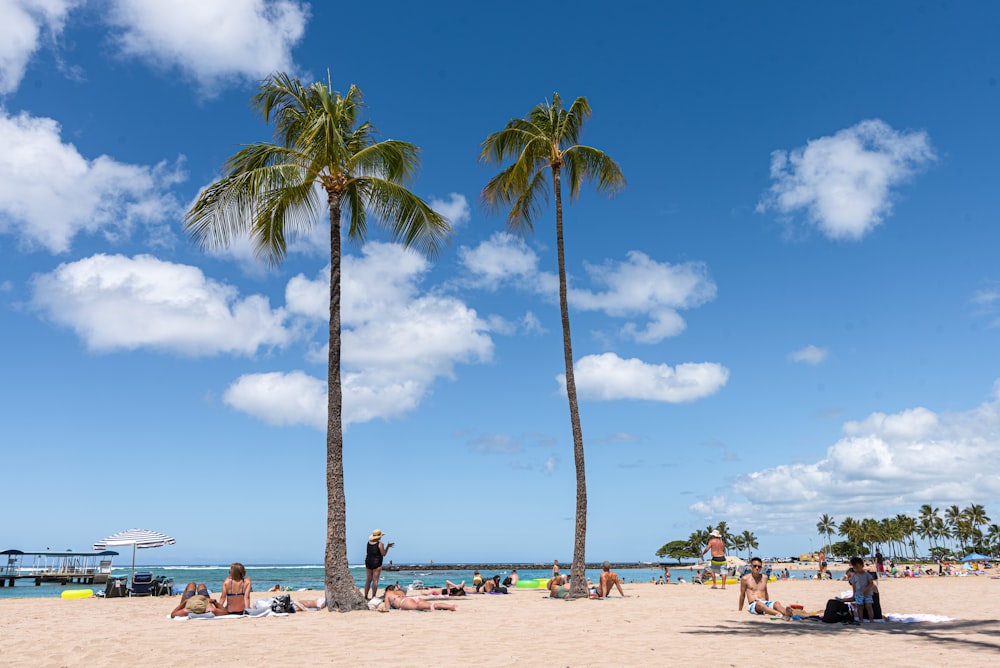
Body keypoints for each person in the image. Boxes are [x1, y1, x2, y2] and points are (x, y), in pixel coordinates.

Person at [364, 529, 393, 600]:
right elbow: (383, 554)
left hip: (368, 561)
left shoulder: (368, 542)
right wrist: (388, 547)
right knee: (375, 580)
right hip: (377, 562)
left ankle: (365, 596)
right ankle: (373, 596)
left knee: (368, 580)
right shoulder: (380, 544)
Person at [383, 584, 455, 611]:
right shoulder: (400, 591)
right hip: (413, 598)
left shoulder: (388, 593)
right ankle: (449, 606)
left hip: (404, 602)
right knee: (432, 604)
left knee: (430, 606)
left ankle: (451, 607)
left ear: (388, 590)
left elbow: (387, 608)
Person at [847, 557, 876, 623]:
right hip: (858, 594)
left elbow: (871, 583)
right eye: (854, 568)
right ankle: (861, 619)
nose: (856, 569)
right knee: (859, 607)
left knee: (869, 606)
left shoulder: (867, 575)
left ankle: (871, 619)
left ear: (862, 566)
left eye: (857, 567)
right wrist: (854, 594)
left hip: (867, 594)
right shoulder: (854, 576)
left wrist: (866, 589)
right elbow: (854, 586)